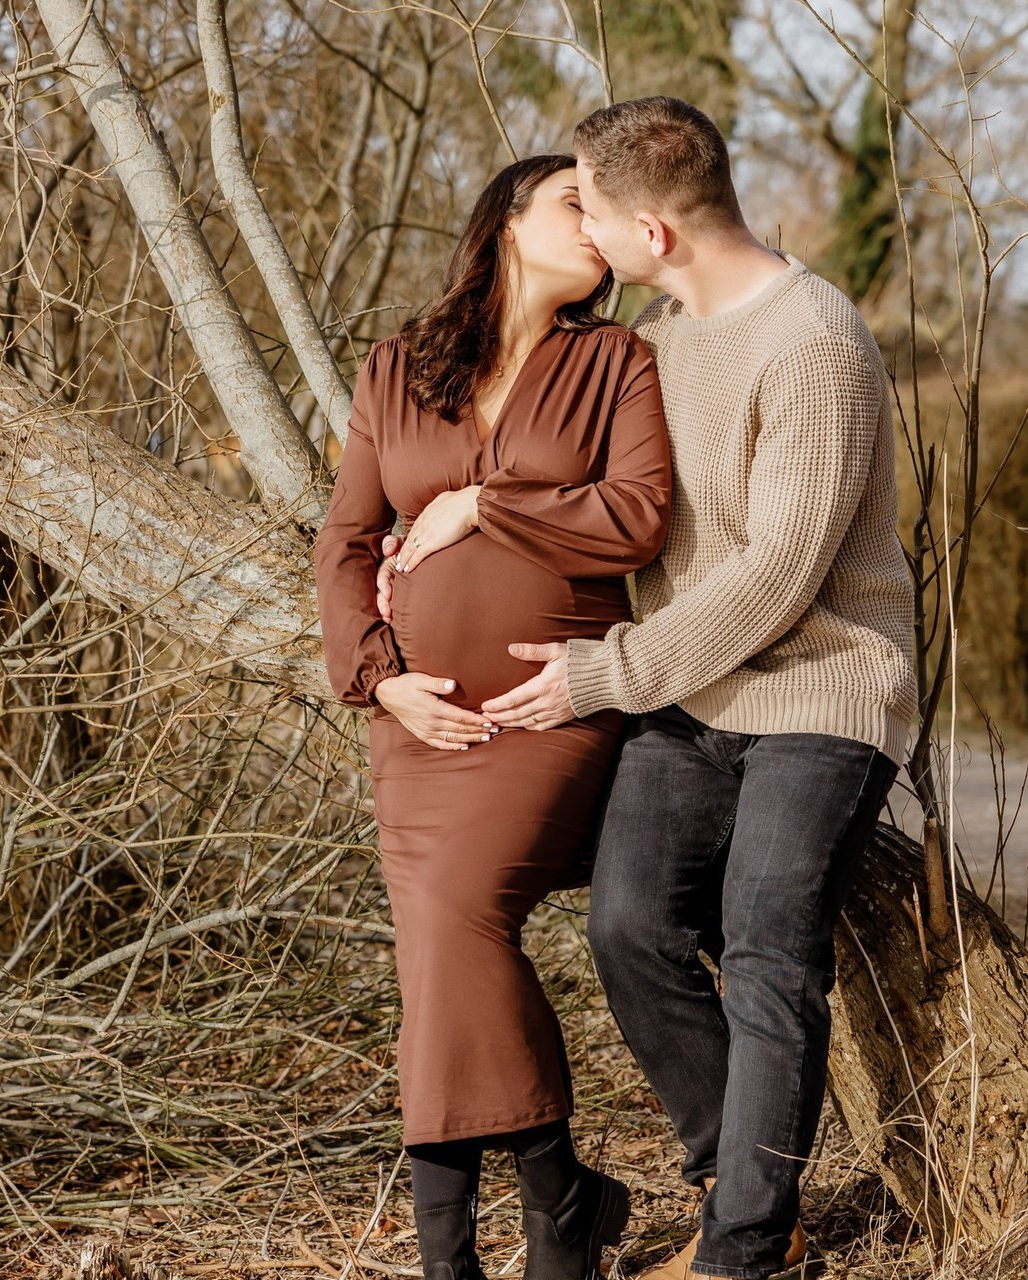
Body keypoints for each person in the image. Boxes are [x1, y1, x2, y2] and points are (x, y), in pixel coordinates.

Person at [399, 98, 917, 1280]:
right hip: (690, 698)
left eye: (593, 207)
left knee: (768, 945)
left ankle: (740, 1252)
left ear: (656, 230)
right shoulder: (661, 335)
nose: (586, 229)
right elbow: (606, 508)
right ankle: (737, 1179)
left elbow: (778, 575)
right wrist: (457, 520)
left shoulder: (814, 342)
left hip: (816, 689)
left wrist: (605, 672)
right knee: (628, 928)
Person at [313, 153, 672, 1280]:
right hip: (418, 725)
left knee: (456, 917)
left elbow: (636, 518)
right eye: (577, 201)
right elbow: (344, 543)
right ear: (508, 222)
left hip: (545, 708)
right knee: (437, 948)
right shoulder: (397, 365)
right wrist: (379, 677)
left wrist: (483, 499)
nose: (599, 223)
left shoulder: (615, 361)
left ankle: (513, 1227)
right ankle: (540, 1212)